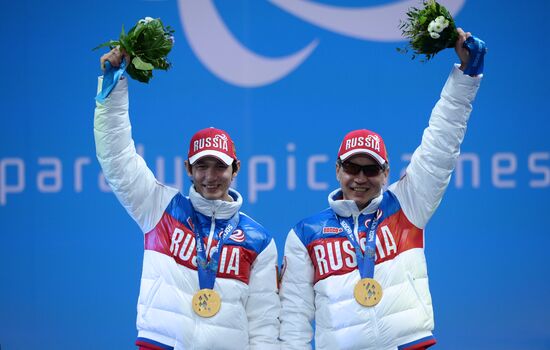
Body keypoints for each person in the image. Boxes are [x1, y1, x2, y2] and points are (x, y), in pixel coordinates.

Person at [279, 28, 483, 350]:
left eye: (371, 169)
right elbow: (293, 317)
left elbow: (440, 144)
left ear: (386, 173)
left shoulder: (408, 204)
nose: (360, 178)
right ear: (337, 170)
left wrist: (466, 77)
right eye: (351, 168)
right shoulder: (306, 234)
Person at [94, 48, 280, 350]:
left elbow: (263, 325)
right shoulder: (159, 207)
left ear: (236, 170)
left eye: (220, 166)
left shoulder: (259, 241)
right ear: (187, 169)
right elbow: (117, 159)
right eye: (201, 166)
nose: (210, 176)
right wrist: (113, 90)